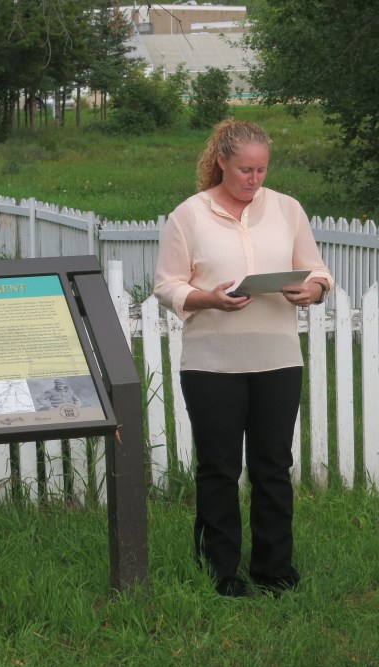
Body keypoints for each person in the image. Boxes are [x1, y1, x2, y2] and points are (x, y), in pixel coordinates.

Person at [154, 119, 333, 598]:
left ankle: (275, 570)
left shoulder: (287, 208)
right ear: (221, 163)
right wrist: (207, 299)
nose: (254, 180)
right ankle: (221, 571)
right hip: (211, 361)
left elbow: (317, 269)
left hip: (277, 358)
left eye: (261, 171)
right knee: (219, 467)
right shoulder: (188, 215)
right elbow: (167, 285)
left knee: (273, 464)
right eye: (245, 171)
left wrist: (311, 289)